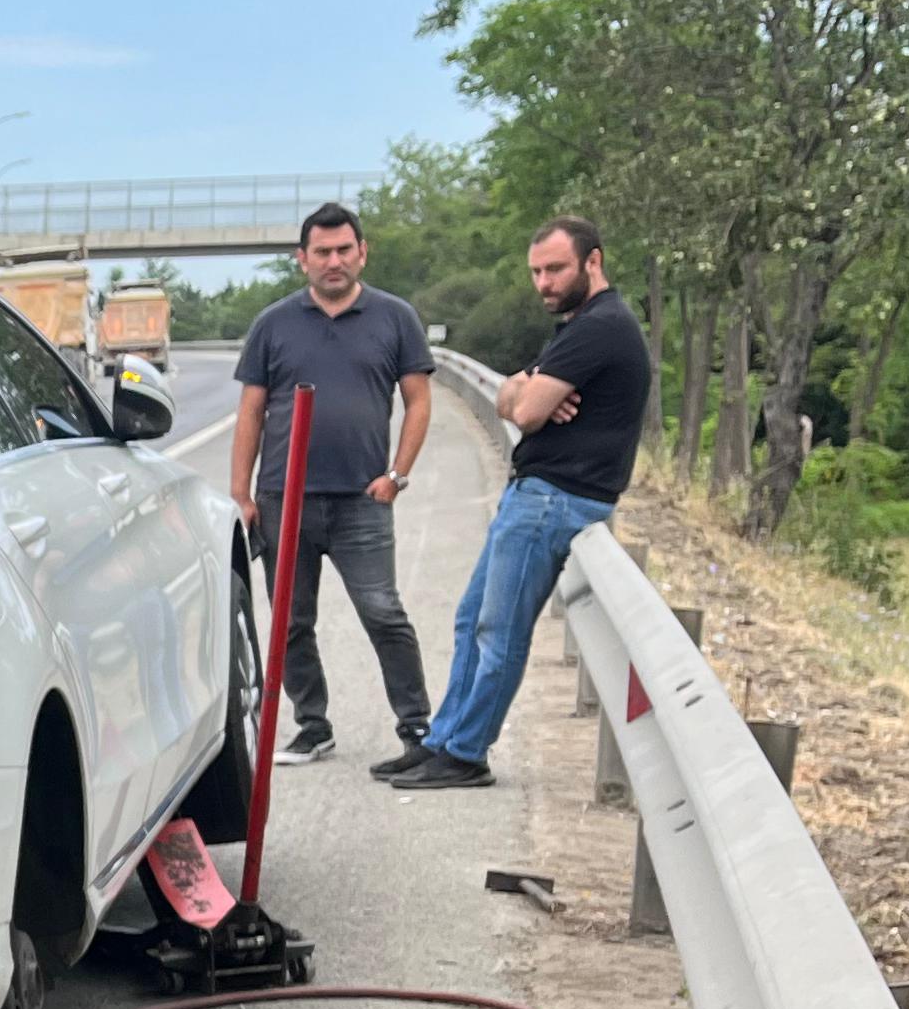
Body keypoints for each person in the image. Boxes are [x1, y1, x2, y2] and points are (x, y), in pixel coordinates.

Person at [386, 215, 656, 792]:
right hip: (536, 496)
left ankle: (467, 752)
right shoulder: (578, 326)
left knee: (499, 631)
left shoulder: (601, 326)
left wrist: (528, 395)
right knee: (472, 620)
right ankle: (442, 739)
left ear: (593, 262)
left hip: (556, 499)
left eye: (555, 269)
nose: (544, 283)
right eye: (536, 272)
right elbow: (513, 394)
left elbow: (528, 411)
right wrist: (526, 390)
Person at [225, 204, 434, 767]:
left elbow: (418, 401)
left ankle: (417, 729)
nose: (333, 261)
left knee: (383, 612)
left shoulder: (395, 317)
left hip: (363, 500)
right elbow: (251, 412)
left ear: (362, 253)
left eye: (344, 250)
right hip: (284, 500)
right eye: (322, 252)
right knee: (291, 623)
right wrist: (242, 494)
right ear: (303, 259)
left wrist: (396, 475)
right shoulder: (273, 324)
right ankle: (312, 727)